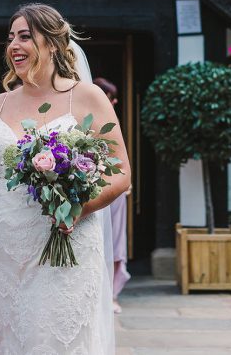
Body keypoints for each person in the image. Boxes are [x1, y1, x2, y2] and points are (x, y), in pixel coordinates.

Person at [0, 3, 132, 354]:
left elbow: (120, 171)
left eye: (25, 36)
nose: (14, 45)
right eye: (11, 37)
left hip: (63, 246)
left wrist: (77, 208)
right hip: (2, 251)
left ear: (54, 44)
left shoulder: (86, 96)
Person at [93, 76, 131, 313]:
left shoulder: (113, 122)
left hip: (114, 190)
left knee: (116, 242)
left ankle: (114, 293)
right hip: (91, 188)